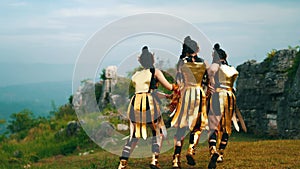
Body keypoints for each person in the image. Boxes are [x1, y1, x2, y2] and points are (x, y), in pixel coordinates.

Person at [118, 46, 178, 169]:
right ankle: (154, 160)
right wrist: (178, 88)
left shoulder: (136, 75)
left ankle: (122, 163)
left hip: (135, 103)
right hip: (148, 103)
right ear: (152, 60)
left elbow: (149, 91)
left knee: (134, 134)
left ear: (140, 61)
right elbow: (169, 87)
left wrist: (166, 96)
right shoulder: (155, 72)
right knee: (158, 132)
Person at [170, 36, 211, 168]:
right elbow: (209, 80)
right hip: (199, 94)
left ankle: (176, 159)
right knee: (198, 126)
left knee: (181, 127)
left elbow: (178, 81)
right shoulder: (204, 63)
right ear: (197, 49)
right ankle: (191, 150)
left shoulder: (182, 62)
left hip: (186, 94)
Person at [207, 43, 239, 169]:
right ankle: (220, 153)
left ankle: (213, 149)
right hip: (230, 95)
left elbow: (211, 78)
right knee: (227, 125)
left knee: (213, 124)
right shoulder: (232, 68)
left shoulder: (214, 66)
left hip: (218, 94)